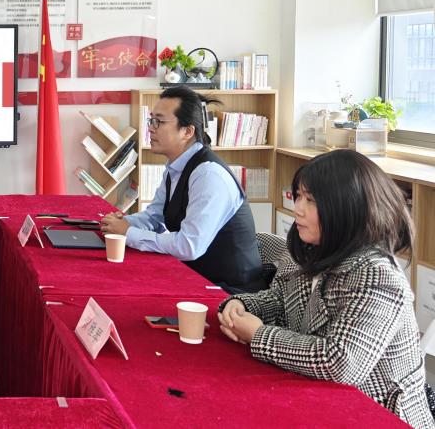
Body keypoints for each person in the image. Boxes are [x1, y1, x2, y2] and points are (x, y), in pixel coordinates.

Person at [218, 150, 433, 427]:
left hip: (377, 415)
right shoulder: (310, 251)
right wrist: (240, 306)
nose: (297, 208)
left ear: (347, 207)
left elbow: (340, 362)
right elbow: (279, 301)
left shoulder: (377, 275)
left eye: (311, 200)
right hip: (319, 400)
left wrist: (258, 335)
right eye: (298, 196)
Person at [101, 86, 264, 292]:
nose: (150, 129)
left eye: (159, 122)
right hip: (194, 276)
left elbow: (189, 246)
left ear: (187, 131)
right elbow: (154, 217)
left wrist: (128, 233)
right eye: (151, 120)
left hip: (229, 292)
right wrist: (121, 224)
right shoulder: (176, 167)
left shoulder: (208, 176)